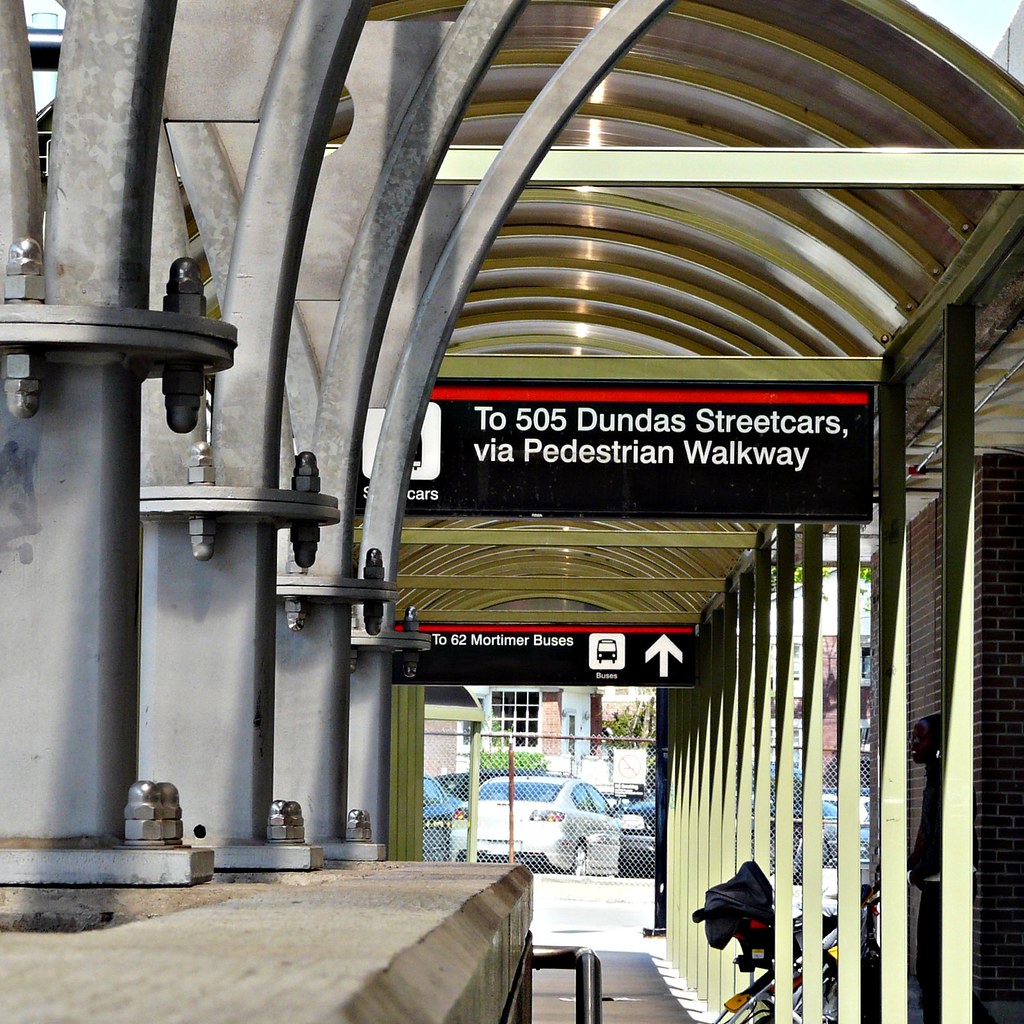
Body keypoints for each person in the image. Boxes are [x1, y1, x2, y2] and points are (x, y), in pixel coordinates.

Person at [908, 713, 996, 1024]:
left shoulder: (952, 780)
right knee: (930, 969)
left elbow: (946, 836)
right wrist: (908, 863)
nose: (913, 744)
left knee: (939, 968)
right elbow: (926, 829)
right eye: (913, 738)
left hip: (951, 884)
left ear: (940, 744)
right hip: (936, 883)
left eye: (921, 738)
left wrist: (916, 871)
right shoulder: (933, 776)